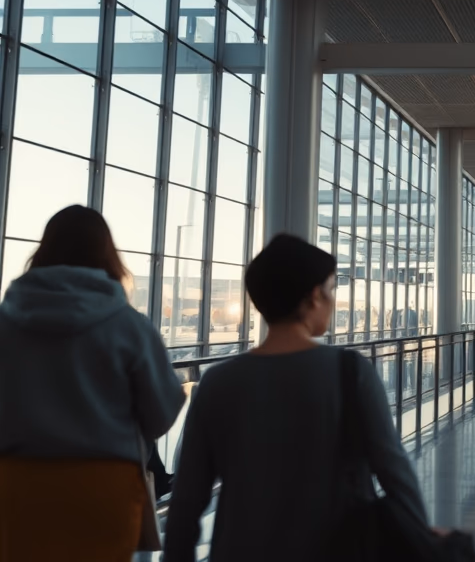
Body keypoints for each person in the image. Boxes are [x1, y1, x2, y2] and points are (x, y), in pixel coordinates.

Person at [164, 234, 429, 562]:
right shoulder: (350, 372)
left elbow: (187, 498)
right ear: (314, 296)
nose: (332, 301)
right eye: (331, 290)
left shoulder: (218, 381)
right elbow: (394, 470)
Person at [0, 206, 185, 562]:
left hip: (17, 483)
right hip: (104, 485)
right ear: (107, 255)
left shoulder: (6, 324)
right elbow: (162, 412)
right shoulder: (129, 326)